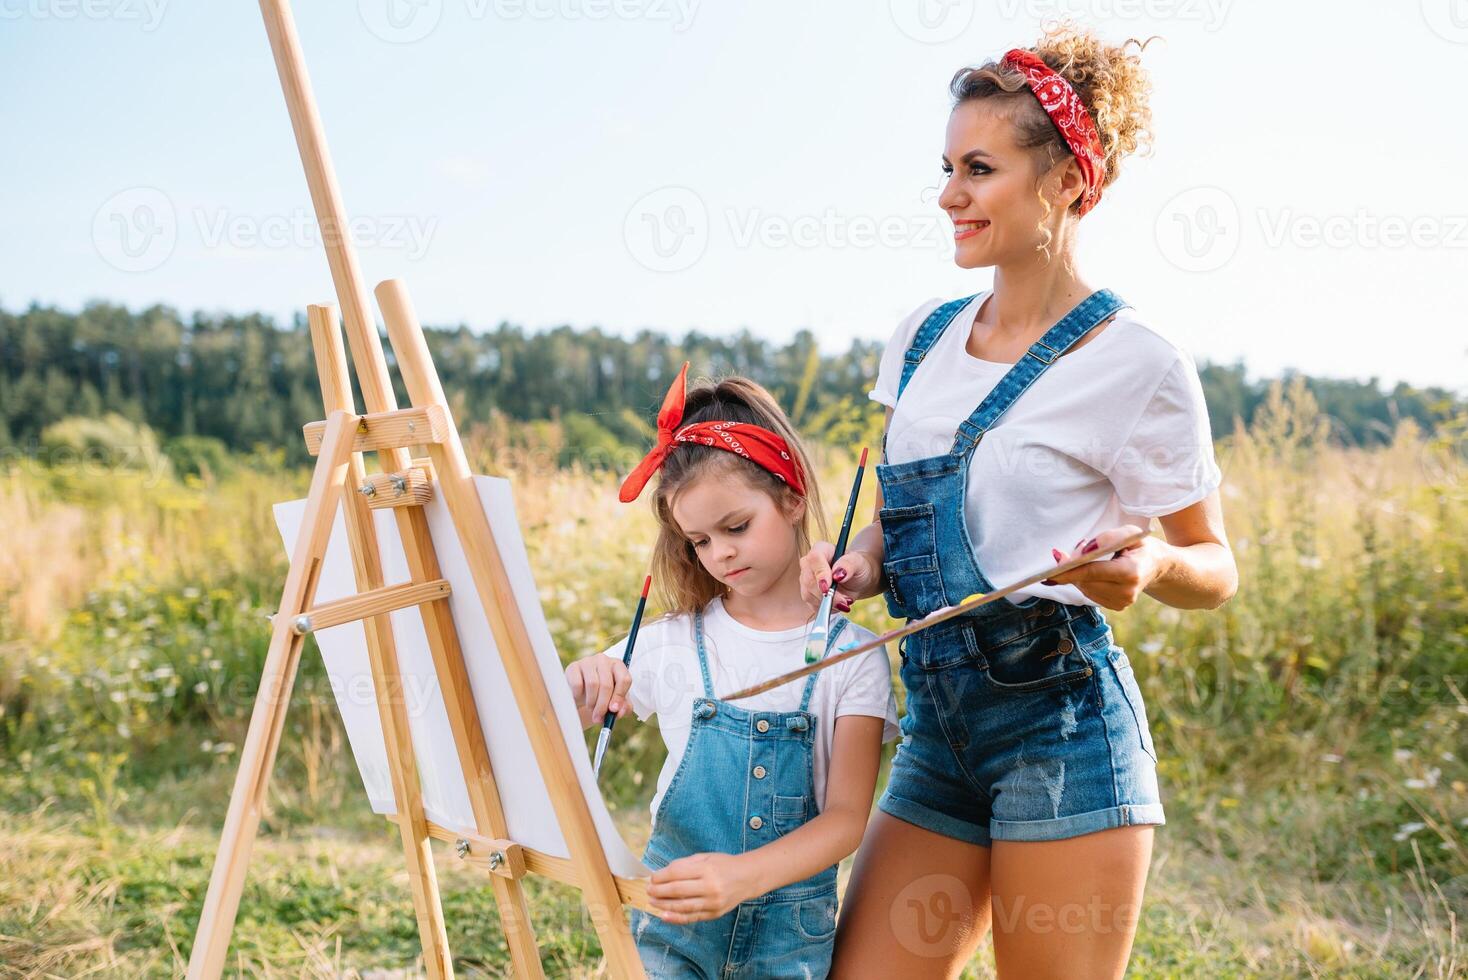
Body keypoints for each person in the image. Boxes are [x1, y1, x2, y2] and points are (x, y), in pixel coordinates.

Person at [801, 24, 1239, 979]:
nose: (950, 195)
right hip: (937, 730)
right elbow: (907, 515)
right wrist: (865, 561)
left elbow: (1215, 566)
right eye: (947, 167)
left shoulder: (1140, 363)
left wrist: (1153, 565)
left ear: (1069, 183)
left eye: (979, 168)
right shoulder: (922, 337)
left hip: (1063, 728)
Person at [564, 363, 899, 979]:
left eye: (736, 527)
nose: (719, 553)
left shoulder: (852, 655)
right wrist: (583, 675)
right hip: (673, 929)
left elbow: (845, 819)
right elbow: (559, 713)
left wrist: (741, 878)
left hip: (789, 940)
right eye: (698, 540)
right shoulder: (670, 643)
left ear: (792, 498)